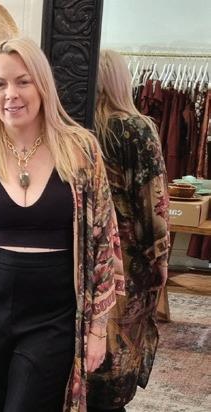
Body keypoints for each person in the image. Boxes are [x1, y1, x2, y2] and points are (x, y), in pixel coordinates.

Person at [0, 37, 124, 412]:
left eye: (22, 81)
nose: (10, 94)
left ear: (42, 85)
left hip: (53, 317)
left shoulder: (81, 151)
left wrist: (98, 329)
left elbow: (103, 242)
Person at [86, 49, 171, 412]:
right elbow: (154, 206)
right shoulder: (136, 130)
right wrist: (160, 267)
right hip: (128, 267)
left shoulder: (75, 129)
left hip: (85, 264)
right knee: (115, 370)